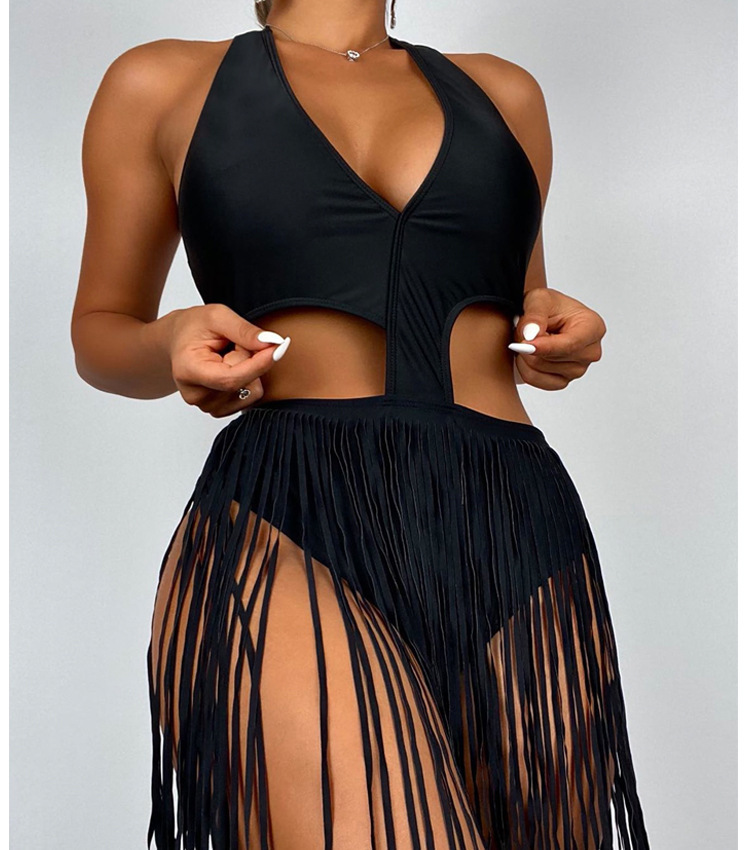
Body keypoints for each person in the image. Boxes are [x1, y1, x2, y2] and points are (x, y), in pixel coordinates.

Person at [71, 2, 651, 848]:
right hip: (289, 517)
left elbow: (524, 306)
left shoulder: (506, 95)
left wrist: (556, 335)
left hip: (513, 527)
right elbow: (101, 332)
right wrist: (168, 343)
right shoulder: (163, 81)